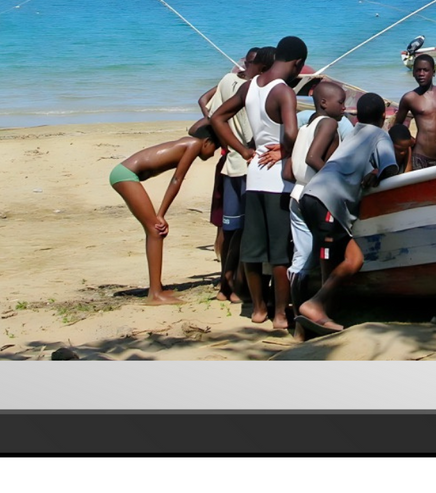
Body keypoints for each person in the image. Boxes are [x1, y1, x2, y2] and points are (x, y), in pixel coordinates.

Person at [208, 36, 307, 331]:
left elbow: (217, 117)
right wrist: (287, 150)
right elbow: (290, 133)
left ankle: (258, 310)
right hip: (278, 179)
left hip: (254, 175)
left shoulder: (251, 85)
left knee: (252, 248)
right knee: (279, 251)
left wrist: (243, 150)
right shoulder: (284, 91)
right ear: (298, 63)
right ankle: (279, 314)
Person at [296, 92, 401, 334]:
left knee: (329, 263)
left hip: (311, 198)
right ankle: (313, 306)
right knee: (352, 260)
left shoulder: (352, 132)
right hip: (328, 203)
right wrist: (378, 174)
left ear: (358, 115)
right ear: (382, 117)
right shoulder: (379, 134)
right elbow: (391, 170)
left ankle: (312, 323)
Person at [108, 125, 221, 304]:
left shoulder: (189, 141)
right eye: (216, 147)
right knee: (155, 230)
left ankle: (157, 287)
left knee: (154, 230)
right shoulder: (192, 144)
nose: (214, 153)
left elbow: (198, 126)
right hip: (125, 175)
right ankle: (155, 294)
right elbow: (177, 179)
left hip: (126, 174)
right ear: (207, 142)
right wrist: (161, 214)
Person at [198, 46, 268, 301]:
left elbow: (211, 110)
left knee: (229, 229)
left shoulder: (228, 81)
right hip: (247, 165)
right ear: (263, 68)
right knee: (244, 231)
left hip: (230, 163)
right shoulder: (255, 90)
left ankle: (224, 285)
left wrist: (222, 138)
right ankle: (237, 286)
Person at [288, 79, 353, 293]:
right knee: (325, 254)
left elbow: (288, 172)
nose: (344, 107)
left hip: (296, 194)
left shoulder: (306, 127)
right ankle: (317, 307)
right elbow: (312, 158)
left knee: (302, 257)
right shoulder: (329, 124)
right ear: (324, 102)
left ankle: (299, 314)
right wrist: (335, 180)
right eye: (340, 102)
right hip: (315, 196)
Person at [391, 53, 436, 170]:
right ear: (413, 73)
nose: (421, 74)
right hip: (420, 157)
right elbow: (397, 126)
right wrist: (409, 141)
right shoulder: (410, 98)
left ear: (434, 72)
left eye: (425, 70)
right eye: (418, 70)